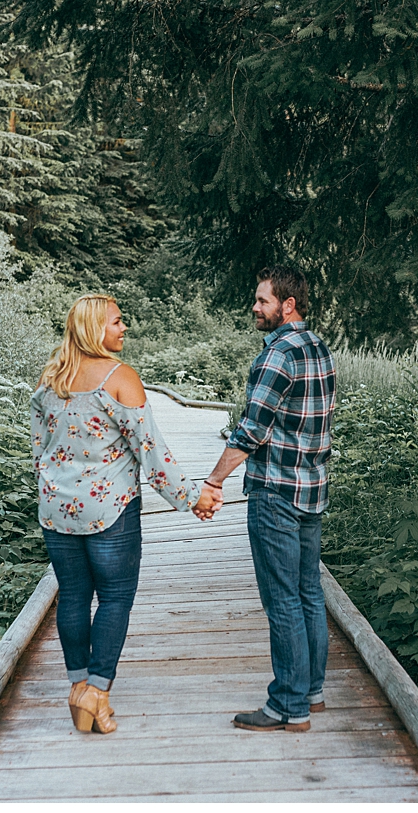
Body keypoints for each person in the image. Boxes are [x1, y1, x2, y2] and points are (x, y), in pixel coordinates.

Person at [31, 293, 209, 734]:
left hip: (57, 509)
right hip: (110, 510)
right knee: (114, 598)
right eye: (116, 322)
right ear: (95, 329)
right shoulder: (119, 377)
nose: (123, 328)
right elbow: (151, 452)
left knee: (72, 596)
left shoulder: (52, 378)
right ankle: (96, 691)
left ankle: (78, 690)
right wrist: (192, 498)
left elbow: (40, 450)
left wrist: (55, 487)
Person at [195, 266, 336, 733]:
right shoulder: (320, 349)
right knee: (308, 593)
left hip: (276, 493)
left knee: (283, 602)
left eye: (262, 301)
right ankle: (312, 691)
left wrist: (214, 481)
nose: (255, 308)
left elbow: (252, 429)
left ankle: (288, 706)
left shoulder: (277, 355)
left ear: (286, 305)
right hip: (311, 490)